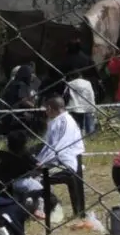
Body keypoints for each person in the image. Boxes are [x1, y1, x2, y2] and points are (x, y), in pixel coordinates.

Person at [32, 91, 86, 224]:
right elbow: (50, 145)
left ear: (50, 108)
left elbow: (58, 146)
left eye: (46, 108)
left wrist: (41, 162)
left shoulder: (64, 122)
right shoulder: (57, 121)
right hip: (59, 159)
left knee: (37, 179)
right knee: (34, 177)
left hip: (65, 162)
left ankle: (54, 205)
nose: (45, 112)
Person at [64, 73, 99, 137]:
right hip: (87, 105)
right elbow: (91, 93)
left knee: (77, 123)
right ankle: (91, 135)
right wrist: (93, 105)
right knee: (89, 121)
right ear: (80, 76)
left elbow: (66, 95)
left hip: (74, 106)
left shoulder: (69, 84)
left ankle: (78, 136)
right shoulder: (87, 83)